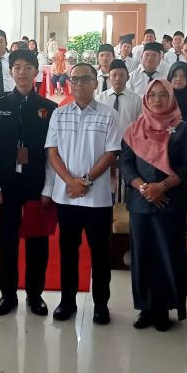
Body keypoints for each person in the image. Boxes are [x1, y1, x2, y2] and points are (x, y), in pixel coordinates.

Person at [45, 63, 121, 325]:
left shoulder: (109, 115)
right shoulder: (59, 113)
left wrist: (86, 181)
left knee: (100, 253)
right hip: (66, 197)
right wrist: (69, 181)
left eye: (84, 79)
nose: (78, 84)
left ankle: (101, 304)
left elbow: (111, 153)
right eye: (74, 79)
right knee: (68, 251)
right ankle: (67, 301)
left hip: (97, 198)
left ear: (95, 83)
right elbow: (52, 151)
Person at [120, 78, 187, 330]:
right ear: (145, 98)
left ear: (172, 97)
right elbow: (126, 164)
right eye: (152, 95)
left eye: (163, 94)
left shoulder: (183, 129)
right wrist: (144, 187)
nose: (157, 99)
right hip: (140, 203)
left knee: (168, 254)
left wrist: (162, 187)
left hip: (170, 202)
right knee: (142, 255)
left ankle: (163, 308)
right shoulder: (134, 128)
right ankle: (145, 308)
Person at [0, 50, 57, 316]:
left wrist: (48, 188)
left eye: (27, 67)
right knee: (6, 239)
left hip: (36, 182)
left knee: (37, 240)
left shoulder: (48, 108)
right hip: (7, 183)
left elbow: (53, 153)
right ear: (10, 72)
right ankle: (7, 294)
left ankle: (35, 294)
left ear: (36, 71)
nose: (22, 72)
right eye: (16, 67)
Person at [96, 59, 143, 137]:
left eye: (122, 75)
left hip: (128, 143)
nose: (117, 78)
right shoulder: (100, 99)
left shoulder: (136, 100)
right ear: (109, 77)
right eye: (114, 75)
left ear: (128, 77)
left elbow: (140, 125)